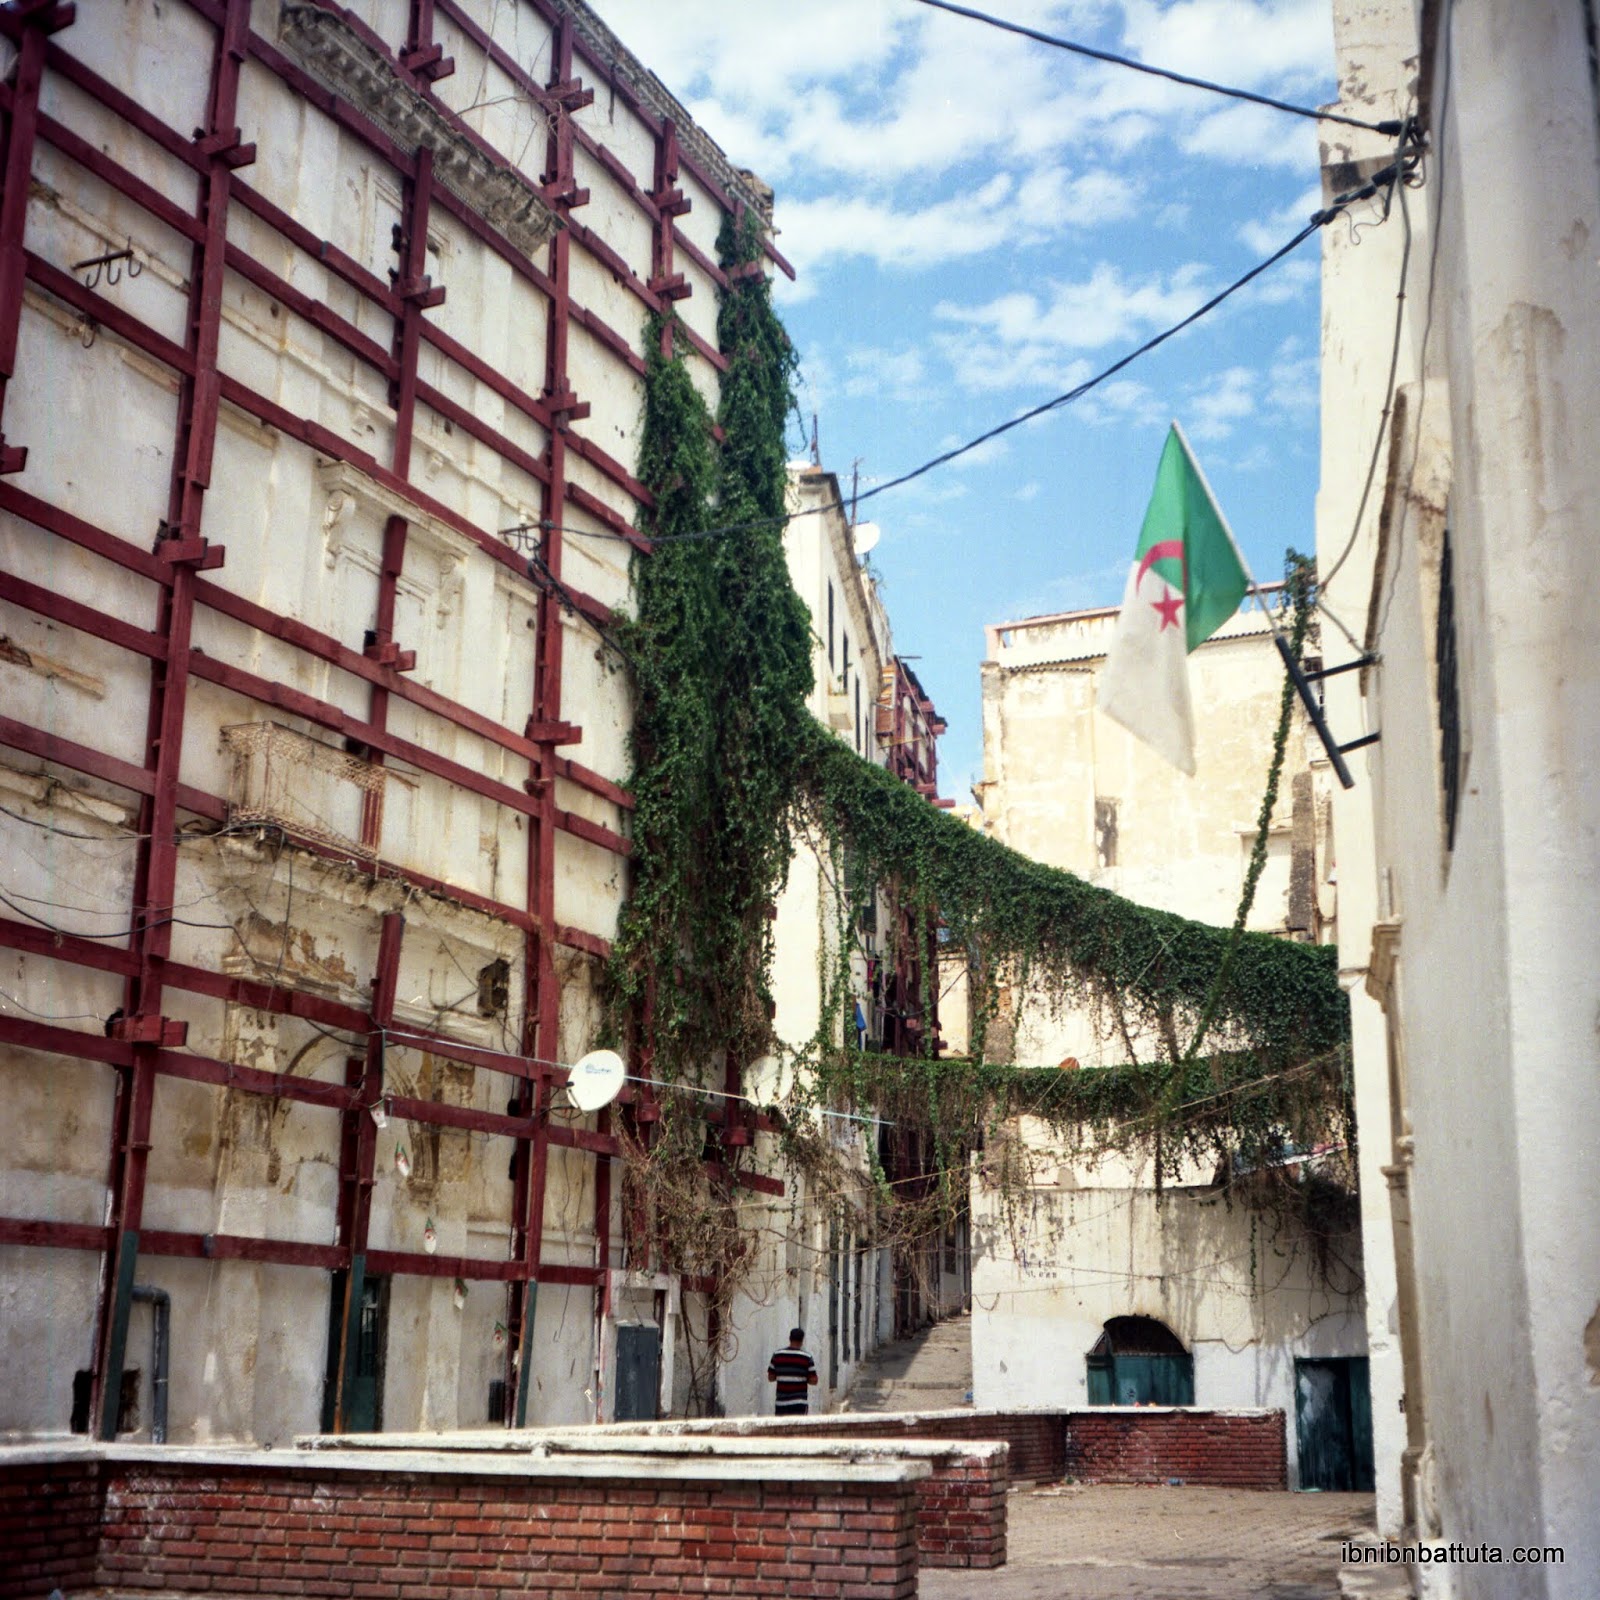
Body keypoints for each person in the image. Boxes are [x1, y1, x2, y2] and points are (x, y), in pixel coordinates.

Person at [767, 1326, 819, 1416]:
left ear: (789, 1338)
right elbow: (814, 1380)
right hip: (799, 1403)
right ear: (802, 1341)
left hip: (781, 1403)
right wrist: (802, 1377)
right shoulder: (806, 1357)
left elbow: (770, 1377)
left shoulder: (777, 1355)